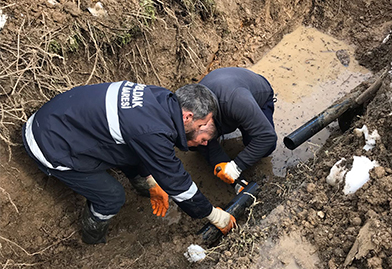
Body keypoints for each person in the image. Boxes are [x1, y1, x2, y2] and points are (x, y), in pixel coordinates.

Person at [22, 81, 236, 244]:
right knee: (112, 196)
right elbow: (178, 184)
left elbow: (133, 142)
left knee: (136, 158)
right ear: (187, 117)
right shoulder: (152, 130)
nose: (204, 134)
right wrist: (213, 215)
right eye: (204, 124)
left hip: (59, 119)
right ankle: (92, 236)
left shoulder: (160, 98)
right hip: (51, 144)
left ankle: (143, 184)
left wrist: (151, 180)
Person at [198, 67, 278, 185]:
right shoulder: (191, 114)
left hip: (254, 96)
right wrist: (229, 174)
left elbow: (267, 137)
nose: (204, 142)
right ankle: (237, 120)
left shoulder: (236, 100)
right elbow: (208, 147)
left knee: (265, 148)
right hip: (226, 95)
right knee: (197, 144)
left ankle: (243, 120)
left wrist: (236, 167)